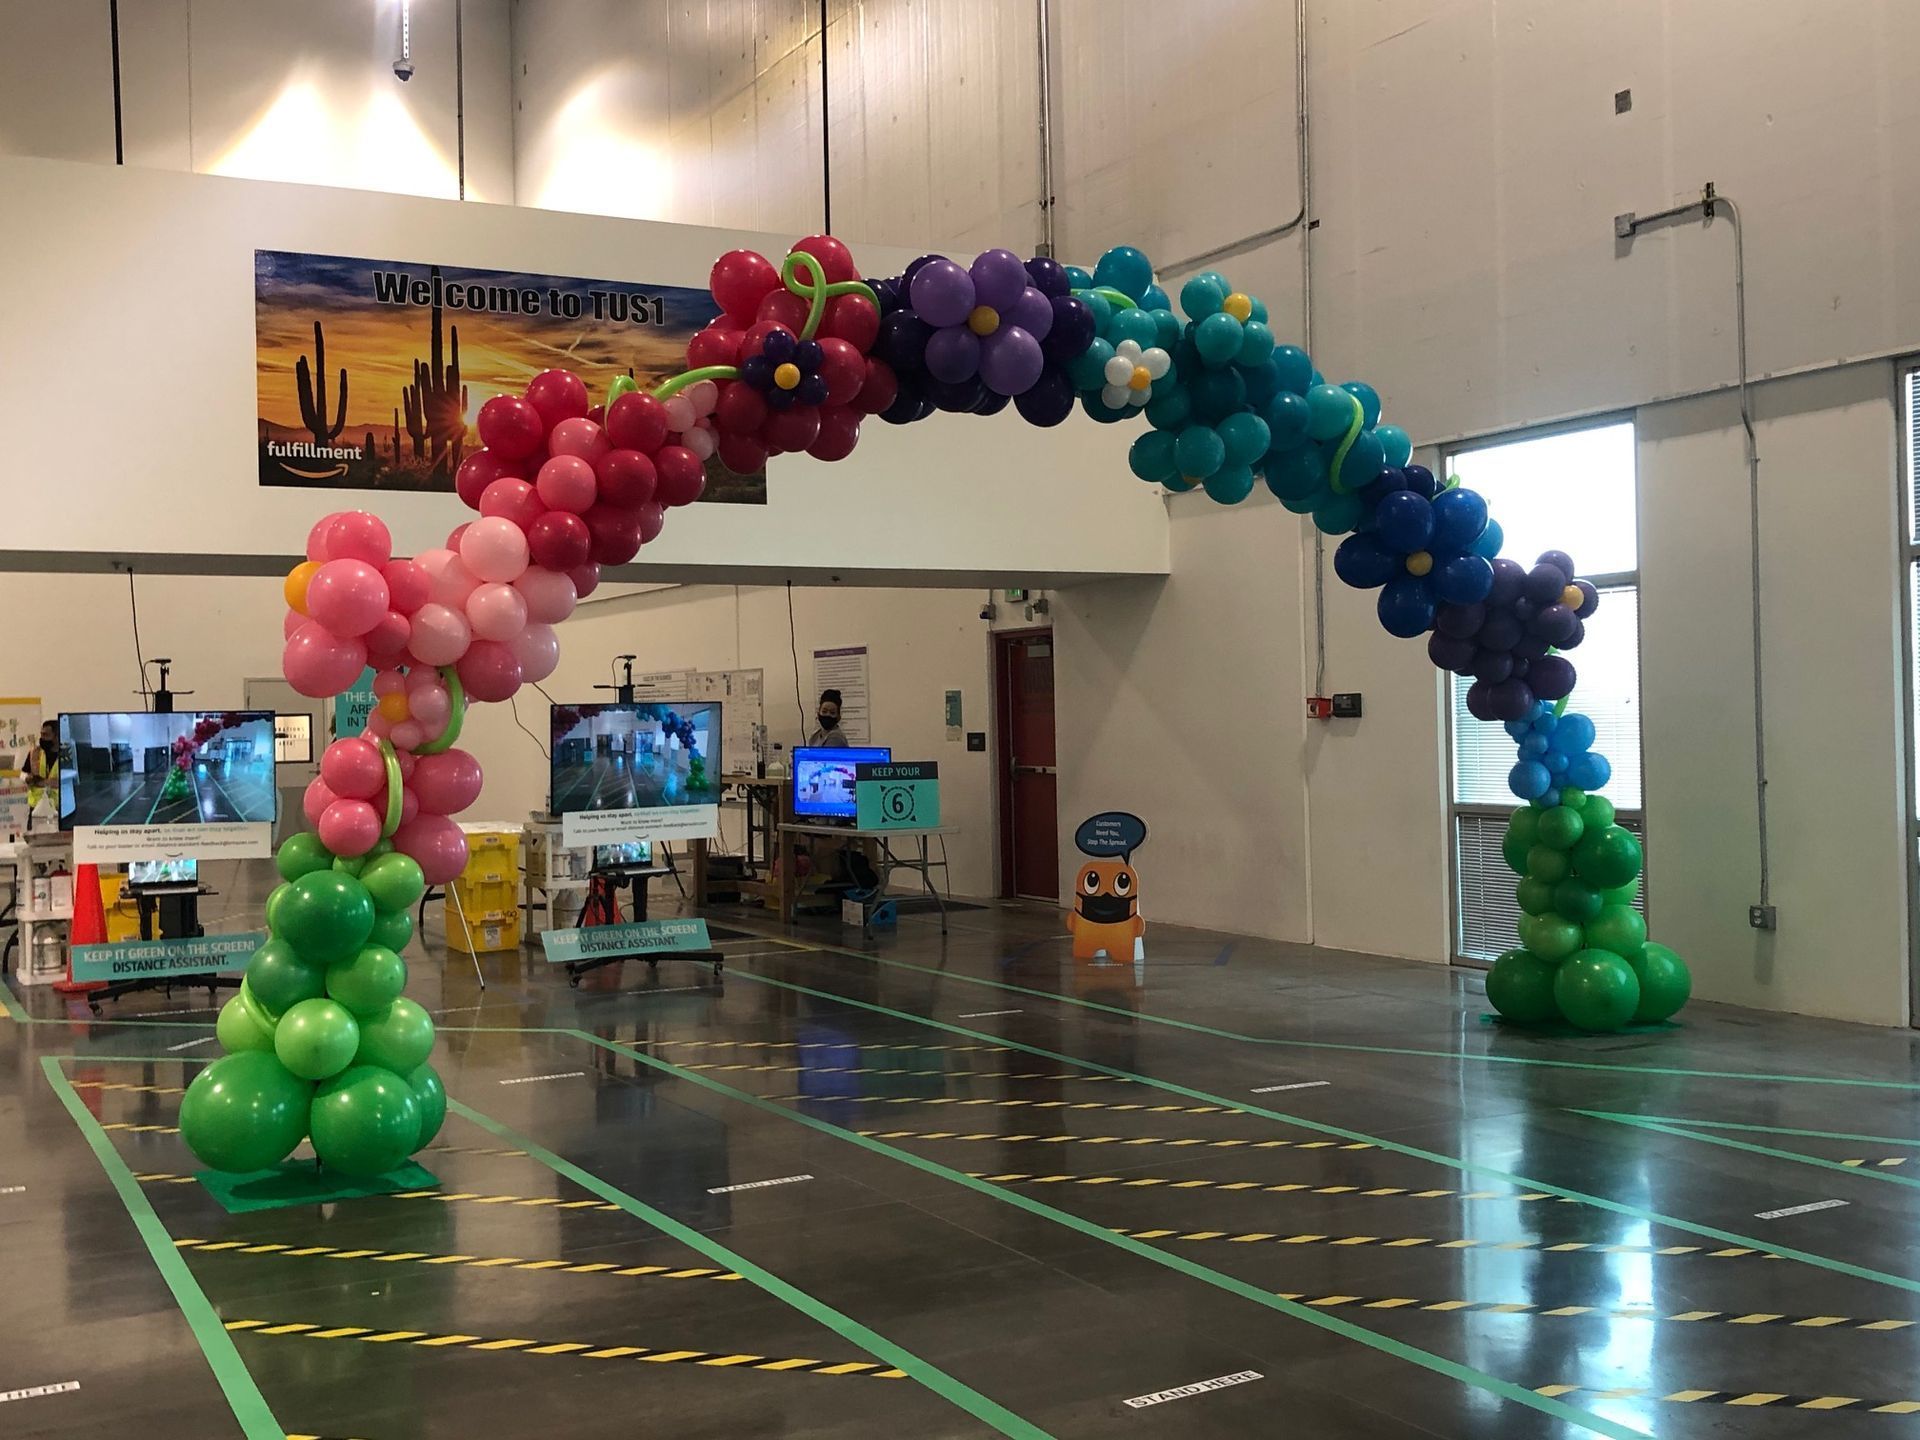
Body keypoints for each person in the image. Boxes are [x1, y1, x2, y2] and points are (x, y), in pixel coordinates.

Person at [24, 720, 59, 811]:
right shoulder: (35, 752)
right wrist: (28, 778)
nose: (42, 738)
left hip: (57, 807)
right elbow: (23, 774)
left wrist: (44, 782)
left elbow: (63, 782)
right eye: (41, 734)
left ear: (56, 736)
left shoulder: (65, 755)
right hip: (36, 807)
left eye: (46, 735)